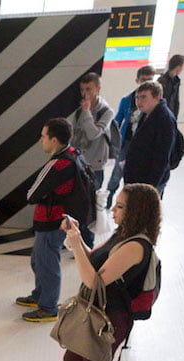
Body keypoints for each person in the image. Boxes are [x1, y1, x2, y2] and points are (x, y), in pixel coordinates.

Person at [26, 183, 159, 361]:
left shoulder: (136, 245)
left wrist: (76, 245)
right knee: (72, 359)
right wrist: (76, 237)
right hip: (94, 311)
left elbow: (93, 280)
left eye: (120, 207)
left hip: (110, 319)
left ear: (137, 212)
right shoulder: (122, 234)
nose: (113, 210)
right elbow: (94, 260)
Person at [15, 118, 82, 323]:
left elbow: (31, 195)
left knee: (47, 264)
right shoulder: (73, 155)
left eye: (43, 136)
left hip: (51, 221)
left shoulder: (56, 164)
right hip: (59, 218)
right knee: (39, 260)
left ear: (54, 140)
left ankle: (48, 307)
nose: (40, 140)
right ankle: (40, 295)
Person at [69, 73, 113, 247]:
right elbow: (75, 136)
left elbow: (93, 133)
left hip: (95, 166)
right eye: (82, 90)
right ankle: (75, 240)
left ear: (98, 88)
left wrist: (87, 112)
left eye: (89, 89)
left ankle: (88, 243)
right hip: (79, 164)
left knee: (90, 206)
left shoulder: (106, 111)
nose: (85, 93)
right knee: (76, 204)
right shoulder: (79, 111)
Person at [105, 65, 156, 209]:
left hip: (144, 146)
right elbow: (117, 121)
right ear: (137, 81)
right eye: (143, 80)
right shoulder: (127, 100)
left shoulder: (154, 104)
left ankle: (131, 202)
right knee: (117, 172)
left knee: (136, 174)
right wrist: (113, 142)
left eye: (149, 80)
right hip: (126, 142)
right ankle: (108, 198)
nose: (146, 83)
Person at [124, 81, 176, 195]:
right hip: (138, 177)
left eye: (144, 97)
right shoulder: (146, 114)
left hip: (148, 181)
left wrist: (150, 187)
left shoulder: (164, 119)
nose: (139, 102)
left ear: (157, 97)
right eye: (137, 98)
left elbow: (162, 158)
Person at [158, 54, 184, 120]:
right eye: (183, 66)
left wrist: (175, 117)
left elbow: (176, 100)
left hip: (171, 114)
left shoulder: (176, 80)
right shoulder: (162, 80)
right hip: (162, 115)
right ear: (178, 67)